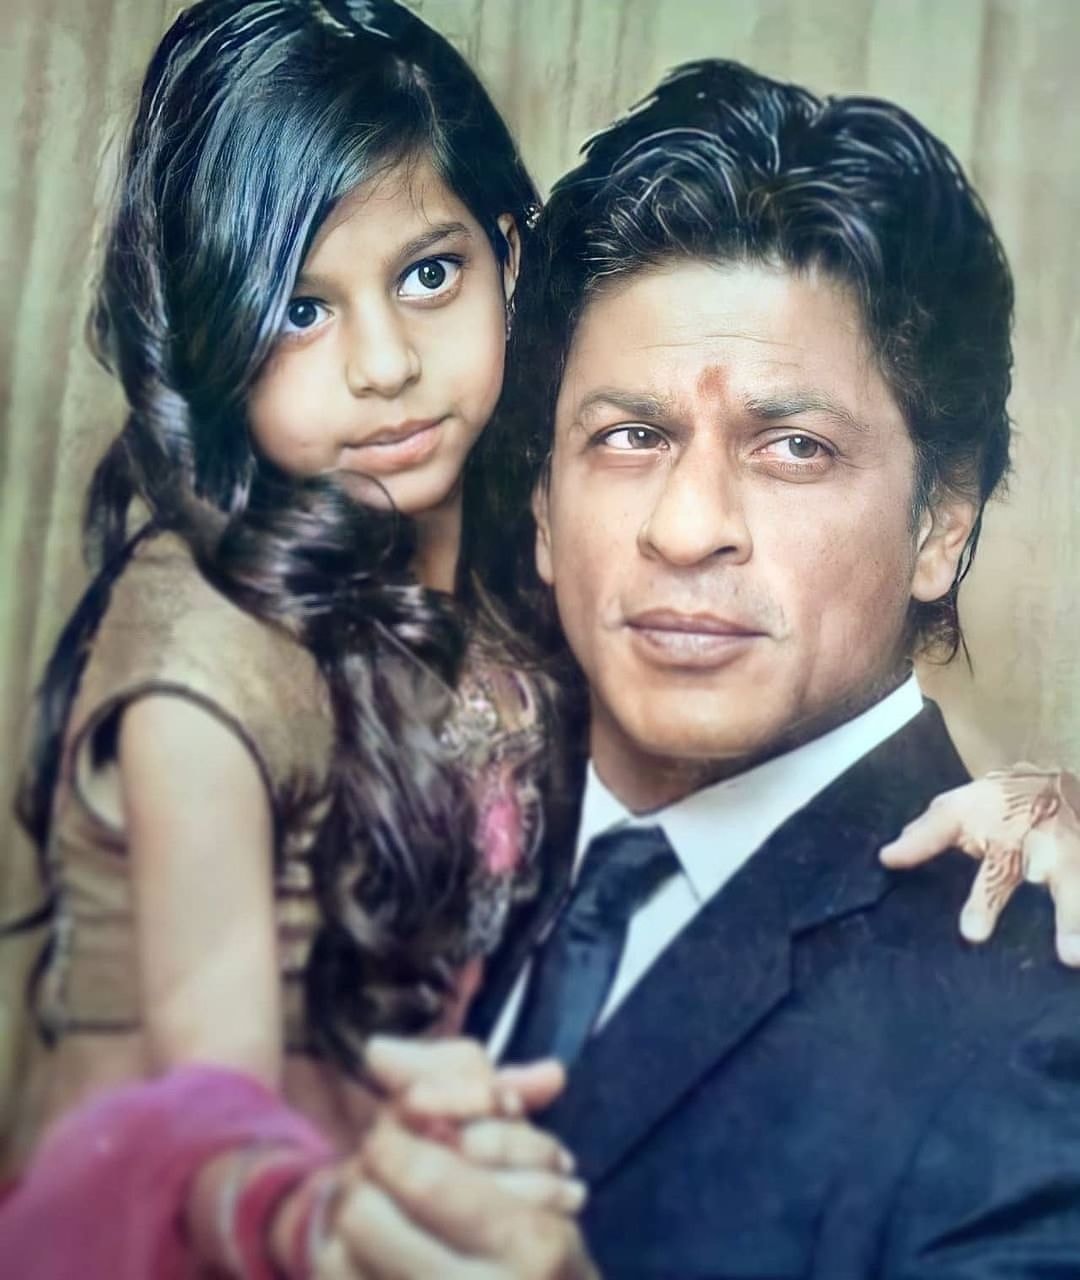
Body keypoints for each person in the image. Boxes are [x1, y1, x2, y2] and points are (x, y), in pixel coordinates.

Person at [323, 60, 1080, 1277]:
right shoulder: (409, 834)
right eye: (630, 436)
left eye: (793, 448)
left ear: (943, 520)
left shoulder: (1042, 1017)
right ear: (540, 505)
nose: (687, 528)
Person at [0, 2, 593, 1276]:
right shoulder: (201, 630)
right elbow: (211, 1125)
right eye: (300, 309)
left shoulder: (516, 571)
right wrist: (327, 1221)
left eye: (428, 275)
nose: (384, 364)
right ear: (211, 337)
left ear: (507, 255)